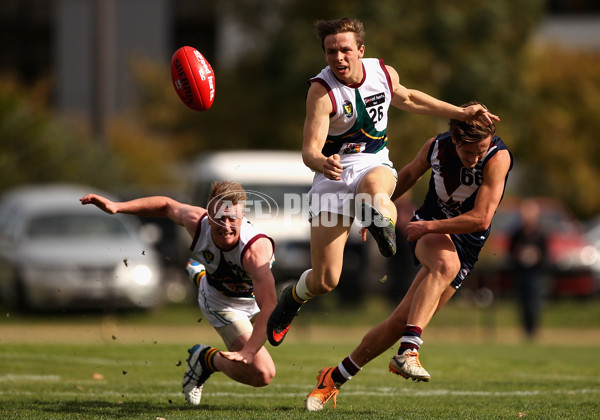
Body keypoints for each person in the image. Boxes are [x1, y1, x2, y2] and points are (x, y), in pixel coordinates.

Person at [266, 17, 499, 347]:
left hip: (371, 161)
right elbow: (309, 151)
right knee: (325, 279)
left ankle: (380, 222)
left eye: (345, 50)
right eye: (331, 51)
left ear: (360, 50)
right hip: (332, 175)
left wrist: (462, 114)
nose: (338, 58)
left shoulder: (382, 74)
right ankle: (292, 298)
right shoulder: (321, 92)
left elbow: (410, 98)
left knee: (376, 189)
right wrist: (322, 161)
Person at [304, 103, 513, 411]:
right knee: (445, 264)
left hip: (463, 241)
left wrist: (429, 225)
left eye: (482, 150)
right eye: (471, 152)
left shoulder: (497, 157)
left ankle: (332, 378)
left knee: (400, 322)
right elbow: (408, 175)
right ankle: (409, 351)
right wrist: (378, 214)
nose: (477, 158)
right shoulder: (436, 147)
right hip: (427, 230)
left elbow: (481, 219)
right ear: (455, 141)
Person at [80, 181, 278, 405]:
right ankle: (205, 359)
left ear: (243, 216)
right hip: (223, 303)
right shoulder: (197, 222)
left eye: (232, 218)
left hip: (254, 299)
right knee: (263, 374)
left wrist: (250, 349)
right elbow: (166, 205)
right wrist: (117, 207)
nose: (225, 225)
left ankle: (200, 275)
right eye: (218, 218)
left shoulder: (255, 249)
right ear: (208, 214)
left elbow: (269, 305)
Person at [508, 198, 548, 339]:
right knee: (522, 303)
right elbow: (510, 252)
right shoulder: (518, 233)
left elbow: (546, 254)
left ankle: (533, 330)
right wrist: (518, 255)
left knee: (533, 302)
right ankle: (525, 330)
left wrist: (536, 256)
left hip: (535, 273)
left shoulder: (540, 233)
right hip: (521, 272)